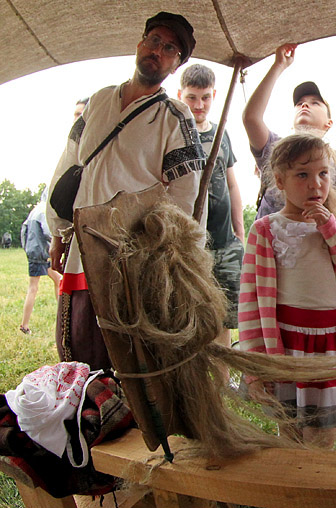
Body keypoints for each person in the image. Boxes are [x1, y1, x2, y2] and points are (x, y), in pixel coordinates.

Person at [47, 12, 205, 370]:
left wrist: (176, 255)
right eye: (154, 41)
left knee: (125, 356)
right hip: (81, 246)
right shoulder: (99, 100)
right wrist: (58, 231)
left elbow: (187, 194)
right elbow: (68, 165)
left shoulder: (175, 116)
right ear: (140, 43)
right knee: (77, 343)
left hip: (131, 253)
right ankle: (84, 413)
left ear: (176, 64)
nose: (158, 51)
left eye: (169, 49)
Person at [238, 133, 336, 449]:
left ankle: (317, 484)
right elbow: (250, 303)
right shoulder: (266, 229)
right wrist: (257, 367)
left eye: (323, 174)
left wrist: (331, 230)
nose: (316, 184)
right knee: (289, 436)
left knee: (322, 436)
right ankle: (289, 491)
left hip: (327, 346)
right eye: (303, 174)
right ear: (280, 180)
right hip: (284, 347)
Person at [242, 43, 336, 221]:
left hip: (316, 245)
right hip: (271, 246)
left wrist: (332, 233)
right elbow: (251, 118)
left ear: (328, 123)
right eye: (299, 103)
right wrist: (278, 66)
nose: (304, 105)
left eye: (315, 103)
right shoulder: (276, 149)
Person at [178, 64, 244, 347]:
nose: (199, 104)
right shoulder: (175, 135)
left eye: (205, 97)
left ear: (215, 95)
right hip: (190, 245)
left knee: (225, 317)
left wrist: (239, 234)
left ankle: (222, 381)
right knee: (190, 316)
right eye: (192, 97)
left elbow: (232, 185)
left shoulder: (221, 134)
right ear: (179, 95)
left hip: (225, 242)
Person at [20, 190, 62, 335]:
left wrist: (27, 250)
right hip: (42, 254)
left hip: (37, 253)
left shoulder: (34, 211)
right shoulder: (45, 210)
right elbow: (49, 231)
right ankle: (24, 326)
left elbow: (23, 231)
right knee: (33, 288)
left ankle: (61, 315)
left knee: (58, 280)